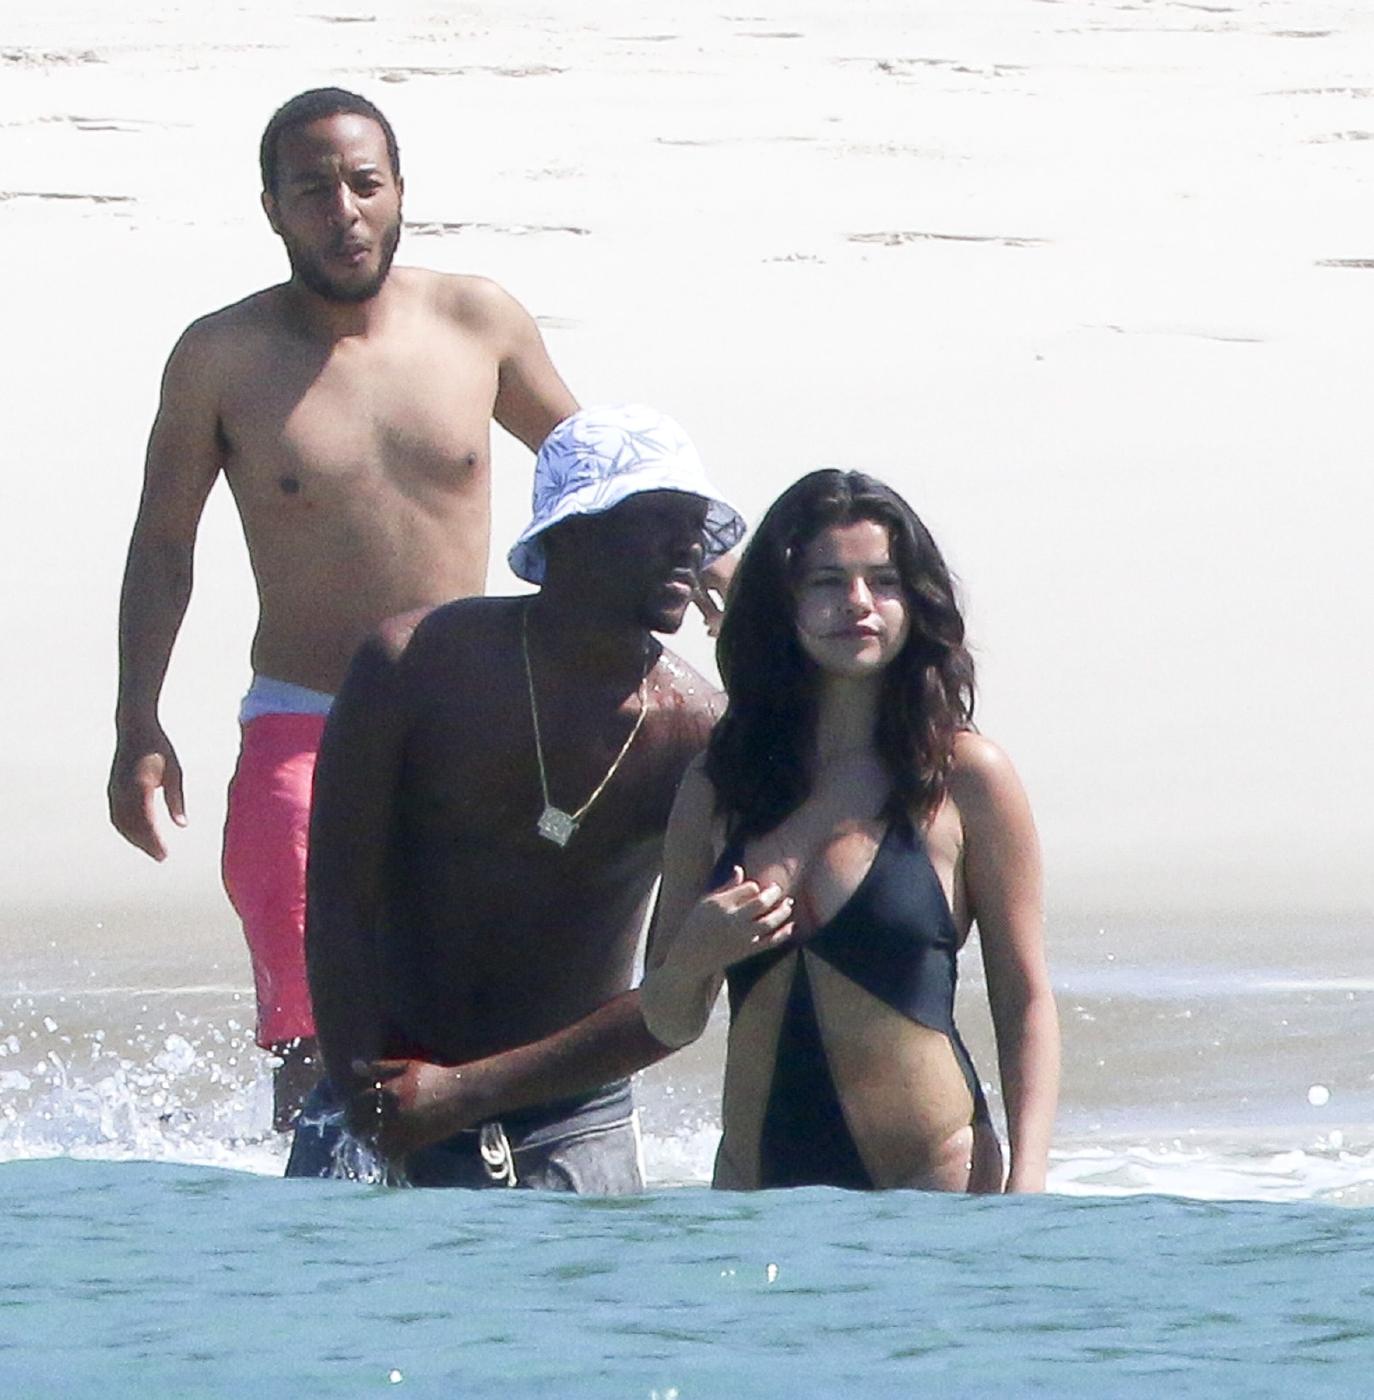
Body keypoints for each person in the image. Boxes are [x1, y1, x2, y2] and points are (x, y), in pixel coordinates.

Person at [362, 470, 1059, 1193]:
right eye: (827, 582)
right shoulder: (720, 785)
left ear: (915, 601)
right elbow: (668, 1018)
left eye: (883, 581)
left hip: (931, 1176)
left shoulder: (963, 777)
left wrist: (1029, 1179)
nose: (858, 602)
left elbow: (1024, 998)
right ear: (782, 602)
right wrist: (697, 953)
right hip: (755, 1192)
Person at [106, 87, 581, 1130]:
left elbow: (590, 468)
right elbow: (163, 544)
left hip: (467, 725)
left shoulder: (478, 323)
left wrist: (712, 559)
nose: (344, 211)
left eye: (365, 184)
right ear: (272, 208)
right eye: (313, 191)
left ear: (400, 190)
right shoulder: (220, 358)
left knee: (479, 1010)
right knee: (317, 1035)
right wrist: (138, 719)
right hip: (303, 726)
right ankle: (316, 1205)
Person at [287, 405, 745, 1190]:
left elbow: (677, 999)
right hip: (378, 1094)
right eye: (657, 519)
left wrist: (469, 1093)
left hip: (573, 1122)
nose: (690, 547)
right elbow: (337, 902)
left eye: (696, 524)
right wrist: (371, 1103)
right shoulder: (413, 667)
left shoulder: (696, 734)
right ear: (569, 534)